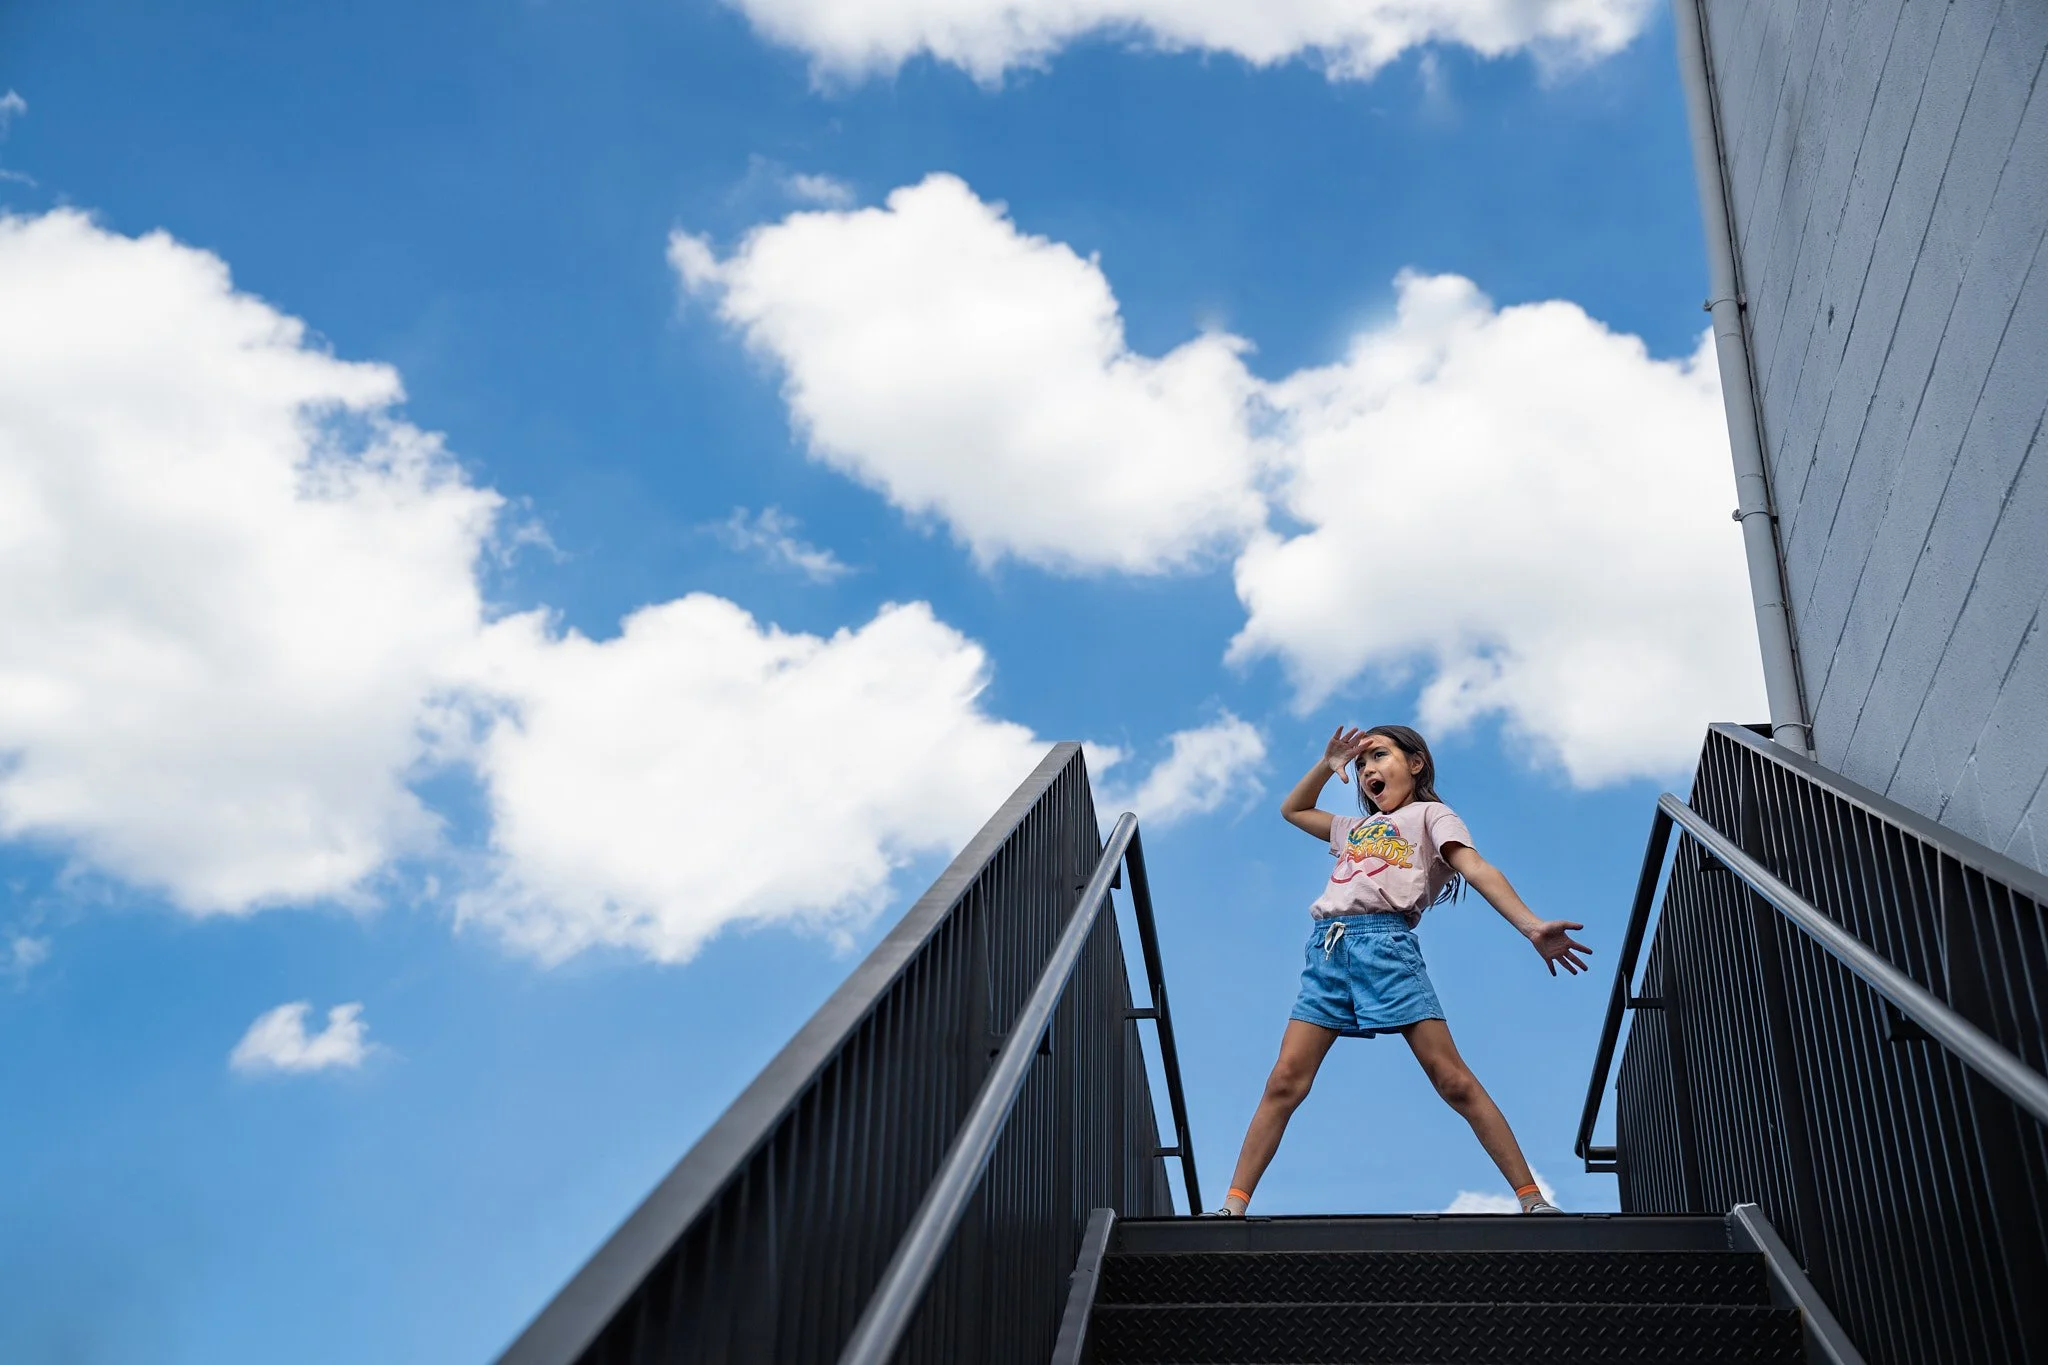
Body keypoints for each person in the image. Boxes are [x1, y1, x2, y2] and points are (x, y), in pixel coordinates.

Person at [1208, 725, 1590, 1218]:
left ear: (1416, 764)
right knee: (1284, 1080)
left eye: (1380, 756)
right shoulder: (1354, 829)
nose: (1368, 770)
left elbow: (1475, 867)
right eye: (1362, 764)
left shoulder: (1431, 815)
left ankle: (1533, 1200)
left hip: (1385, 946)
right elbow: (1293, 810)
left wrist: (1531, 926)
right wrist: (1329, 765)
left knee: (1450, 1078)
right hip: (1327, 951)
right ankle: (1231, 1209)